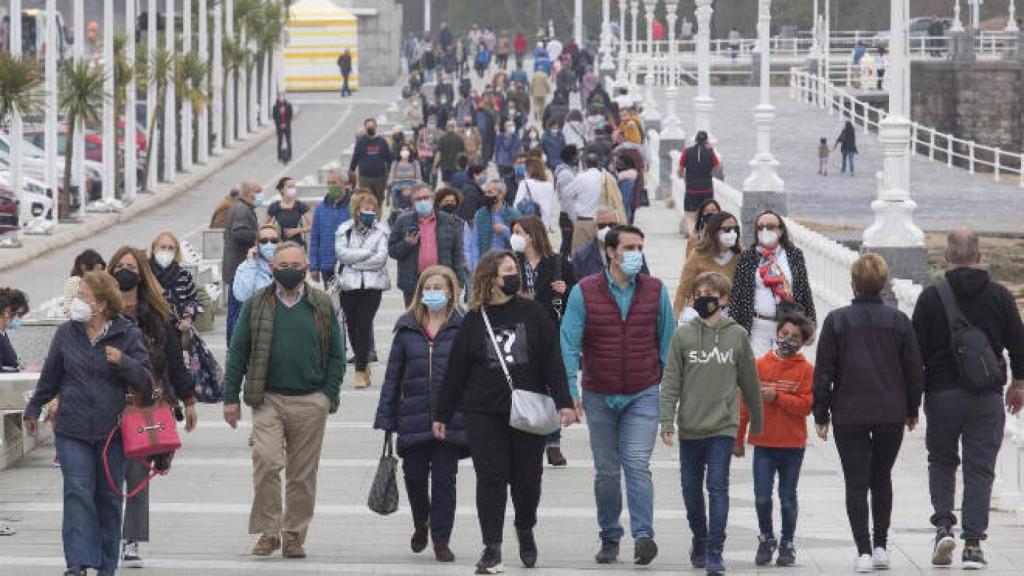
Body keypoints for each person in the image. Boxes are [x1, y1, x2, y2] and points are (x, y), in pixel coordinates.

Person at [433, 250, 577, 574]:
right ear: (492, 278)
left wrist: (564, 401)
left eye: (515, 270)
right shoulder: (474, 320)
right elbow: (456, 371)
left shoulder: (533, 312)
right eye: (508, 270)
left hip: (527, 409)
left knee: (528, 480)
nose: (515, 275)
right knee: (491, 478)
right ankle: (492, 547)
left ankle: (525, 527)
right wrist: (442, 414)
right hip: (484, 411)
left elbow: (552, 360)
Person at [561, 225, 676, 566]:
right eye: (629, 247)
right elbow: (568, 342)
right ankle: (610, 536)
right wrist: (570, 391)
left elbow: (668, 344)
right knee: (607, 471)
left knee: (637, 464)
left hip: (643, 392)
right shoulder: (584, 291)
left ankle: (643, 536)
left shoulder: (655, 290)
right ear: (610, 252)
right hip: (599, 394)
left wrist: (666, 392)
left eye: (640, 247)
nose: (636, 253)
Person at [25, 271, 153, 576]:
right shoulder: (66, 333)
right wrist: (33, 408)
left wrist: (123, 361)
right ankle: (78, 563)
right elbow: (50, 377)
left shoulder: (127, 334)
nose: (77, 301)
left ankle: (106, 565)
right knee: (77, 492)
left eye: (83, 296)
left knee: (109, 498)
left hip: (113, 432)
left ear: (102, 303)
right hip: (72, 429)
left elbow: (147, 382)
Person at [222, 242, 345, 559]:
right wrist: (230, 397)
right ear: (272, 268)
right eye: (283, 265)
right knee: (265, 461)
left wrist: (328, 395)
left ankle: (293, 535)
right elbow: (237, 352)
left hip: (310, 401)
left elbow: (337, 353)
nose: (290, 270)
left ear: (306, 268)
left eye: (296, 265)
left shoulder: (320, 303)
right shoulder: (257, 304)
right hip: (268, 399)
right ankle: (268, 531)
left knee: (302, 474)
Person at [911, 229, 1024, 569]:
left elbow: (914, 353)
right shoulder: (1000, 295)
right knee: (980, 469)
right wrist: (1018, 384)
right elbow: (1019, 343)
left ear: (946, 256)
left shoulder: (931, 298)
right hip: (986, 396)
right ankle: (973, 545)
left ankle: (944, 526)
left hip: (941, 394)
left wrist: (911, 401)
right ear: (978, 256)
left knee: (942, 461)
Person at [813, 253, 924, 573]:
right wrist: (912, 408)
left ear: (854, 283)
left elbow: (824, 372)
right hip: (890, 410)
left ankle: (862, 550)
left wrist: (821, 413)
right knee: (882, 477)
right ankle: (881, 546)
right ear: (884, 283)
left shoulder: (837, 320)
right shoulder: (899, 321)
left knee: (856, 481)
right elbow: (913, 370)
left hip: (849, 411)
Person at [661, 271, 764, 576]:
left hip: (722, 426)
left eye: (711, 294)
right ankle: (700, 537)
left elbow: (750, 382)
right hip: (690, 426)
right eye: (699, 294)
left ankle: (715, 551)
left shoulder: (737, 335)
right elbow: (671, 381)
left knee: (717, 488)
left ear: (724, 299)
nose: (704, 299)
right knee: (690, 490)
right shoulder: (682, 336)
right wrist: (666, 420)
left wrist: (756, 422)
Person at [107, 247, 197, 568]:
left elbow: (174, 362)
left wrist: (188, 400)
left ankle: (131, 540)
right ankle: (106, 535)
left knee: (137, 472)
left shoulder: (156, 316)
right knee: (106, 475)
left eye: (131, 266)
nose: (125, 271)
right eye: (120, 265)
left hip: (143, 405)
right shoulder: (99, 313)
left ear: (142, 274)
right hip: (104, 402)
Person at [374, 265, 468, 563]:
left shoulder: (463, 327)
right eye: (427, 288)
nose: (432, 292)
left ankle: (441, 539)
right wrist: (386, 418)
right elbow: (393, 377)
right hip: (412, 418)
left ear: (451, 292)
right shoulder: (407, 328)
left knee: (444, 482)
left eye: (438, 287)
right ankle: (421, 522)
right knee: (414, 478)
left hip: (450, 420)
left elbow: (472, 375)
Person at [735, 312, 816, 568]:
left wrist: (778, 398)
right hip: (764, 442)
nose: (788, 340)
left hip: (792, 445)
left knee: (788, 497)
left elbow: (806, 406)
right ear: (776, 334)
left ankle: (787, 542)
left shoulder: (806, 370)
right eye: (784, 334)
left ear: (803, 341)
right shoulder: (759, 365)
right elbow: (745, 403)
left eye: (795, 337)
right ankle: (766, 538)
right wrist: (739, 437)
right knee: (761, 496)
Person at [511, 215, 577, 466]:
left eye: (519, 232)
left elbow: (577, 295)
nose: (515, 237)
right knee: (526, 386)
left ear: (532, 234)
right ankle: (529, 440)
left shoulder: (558, 262)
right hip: (518, 331)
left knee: (551, 385)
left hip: (550, 330)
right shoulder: (510, 263)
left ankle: (553, 442)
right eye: (514, 232)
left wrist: (566, 290)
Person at [729, 210, 816, 358]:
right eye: (760, 227)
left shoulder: (794, 255)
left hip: (788, 326)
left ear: (780, 231)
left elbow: (804, 290)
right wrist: (735, 328)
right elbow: (737, 294)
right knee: (759, 368)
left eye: (770, 226)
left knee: (785, 367)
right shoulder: (748, 257)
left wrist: (811, 324)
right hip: (758, 326)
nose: (765, 230)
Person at [335, 192, 391, 390]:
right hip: (348, 284)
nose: (369, 212)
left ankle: (359, 370)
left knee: (364, 324)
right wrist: (367, 253)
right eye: (364, 208)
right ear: (356, 210)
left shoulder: (382, 230)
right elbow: (342, 254)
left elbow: (380, 259)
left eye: (372, 208)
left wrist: (355, 261)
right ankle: (363, 361)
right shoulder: (345, 229)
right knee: (352, 325)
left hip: (372, 286)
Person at [389, 183, 468, 306]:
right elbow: (392, 251)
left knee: (442, 316)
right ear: (412, 202)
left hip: (442, 281)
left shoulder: (448, 221)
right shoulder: (403, 221)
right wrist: (407, 244)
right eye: (418, 199)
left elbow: (457, 254)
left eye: (426, 197)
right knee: (415, 318)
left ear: (433, 198)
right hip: (413, 284)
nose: (423, 201)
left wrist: (460, 283)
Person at [673, 212, 741, 319]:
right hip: (698, 313)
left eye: (735, 229)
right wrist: (676, 317)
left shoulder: (739, 257)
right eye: (727, 229)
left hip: (727, 315)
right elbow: (683, 289)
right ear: (714, 232)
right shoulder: (698, 255)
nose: (732, 233)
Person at [223, 181, 263, 345]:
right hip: (239, 270)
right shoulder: (242, 210)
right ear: (249, 193)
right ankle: (234, 346)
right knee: (238, 312)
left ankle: (232, 345)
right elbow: (239, 233)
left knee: (235, 311)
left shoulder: (242, 207)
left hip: (236, 269)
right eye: (258, 191)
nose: (261, 195)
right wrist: (259, 237)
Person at [566, 153, 624, 255]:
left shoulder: (581, 177)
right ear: (599, 164)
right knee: (600, 254)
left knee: (579, 254)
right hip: (603, 223)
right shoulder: (607, 178)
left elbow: (567, 193)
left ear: (584, 164)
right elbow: (617, 198)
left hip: (584, 221)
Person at [571, 206, 651, 279]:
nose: (607, 229)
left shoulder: (634, 254)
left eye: (612, 225)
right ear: (594, 227)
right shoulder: (582, 257)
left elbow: (646, 283)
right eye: (602, 226)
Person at [149, 231, 202, 336]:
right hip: (150, 331)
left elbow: (193, 301)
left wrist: (187, 319)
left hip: (177, 332)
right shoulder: (146, 273)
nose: (166, 251)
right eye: (163, 247)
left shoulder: (184, 274)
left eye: (171, 248)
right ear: (154, 249)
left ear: (176, 251)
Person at [677, 131, 722, 243]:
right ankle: (704, 238)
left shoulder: (687, 152)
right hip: (707, 189)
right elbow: (718, 167)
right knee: (707, 215)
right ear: (706, 141)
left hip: (691, 189)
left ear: (695, 140)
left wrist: (683, 175)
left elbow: (680, 172)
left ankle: (693, 238)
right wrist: (711, 150)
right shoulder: (710, 153)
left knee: (690, 216)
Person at [309, 172, 353, 287]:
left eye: (334, 183)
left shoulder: (354, 205)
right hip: (327, 265)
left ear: (344, 184)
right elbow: (315, 238)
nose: (331, 186)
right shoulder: (320, 208)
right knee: (331, 297)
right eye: (328, 183)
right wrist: (314, 266)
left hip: (349, 265)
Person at [470, 179, 521, 265]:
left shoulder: (514, 215)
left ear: (501, 195)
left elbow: (520, 242)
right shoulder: (480, 214)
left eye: (490, 192)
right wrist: (476, 265)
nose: (486, 195)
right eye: (485, 192)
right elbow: (474, 243)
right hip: (486, 263)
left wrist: (505, 230)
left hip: (507, 263)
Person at [233, 224, 282, 304]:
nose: (269, 244)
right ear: (257, 244)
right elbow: (242, 296)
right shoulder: (245, 267)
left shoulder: (287, 264)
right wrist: (251, 265)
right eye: (264, 241)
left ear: (279, 243)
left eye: (274, 241)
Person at [349, 118, 392, 203]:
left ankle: (378, 212)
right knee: (365, 200)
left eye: (372, 126)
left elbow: (389, 159)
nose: (370, 128)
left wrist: (390, 175)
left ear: (376, 127)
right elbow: (355, 158)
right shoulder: (360, 142)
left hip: (380, 178)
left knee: (379, 201)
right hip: (364, 178)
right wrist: (351, 172)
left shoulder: (382, 142)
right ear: (365, 128)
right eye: (368, 126)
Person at [265, 177, 312, 248]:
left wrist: (297, 230)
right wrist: (274, 231)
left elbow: (312, 226)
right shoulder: (274, 206)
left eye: (294, 187)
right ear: (282, 190)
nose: (293, 189)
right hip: (280, 245)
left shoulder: (300, 206)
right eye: (290, 187)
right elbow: (264, 226)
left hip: (298, 244)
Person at [63, 249, 107, 318]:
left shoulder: (104, 283)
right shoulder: (74, 281)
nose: (99, 274)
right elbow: (66, 311)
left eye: (101, 271)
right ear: (84, 267)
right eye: (96, 270)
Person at [514, 157, 556, 228]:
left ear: (529, 170)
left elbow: (516, 205)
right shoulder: (549, 186)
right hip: (544, 223)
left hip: (528, 223)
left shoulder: (525, 183)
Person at [554, 145, 579, 258]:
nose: (578, 158)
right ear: (572, 157)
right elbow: (568, 200)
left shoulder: (566, 171)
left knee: (568, 246)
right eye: (577, 155)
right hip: (568, 216)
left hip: (568, 214)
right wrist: (574, 219)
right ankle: (560, 266)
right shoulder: (566, 175)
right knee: (567, 247)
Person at [0, 287, 28, 371]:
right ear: (6, 312)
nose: (19, 319)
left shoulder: (3, 334)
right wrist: (22, 372)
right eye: (19, 314)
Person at [435, 120, 466, 185]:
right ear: (454, 127)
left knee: (446, 185)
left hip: (444, 167)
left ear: (446, 127)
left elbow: (438, 154)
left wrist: (435, 167)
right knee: (455, 185)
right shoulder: (459, 139)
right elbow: (462, 155)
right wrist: (462, 167)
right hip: (456, 167)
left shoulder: (442, 139)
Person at [272, 92, 294, 163]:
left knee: (288, 140)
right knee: (280, 141)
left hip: (287, 126)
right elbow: (274, 116)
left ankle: (289, 155)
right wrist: (279, 124)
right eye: (280, 97)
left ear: (284, 97)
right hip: (279, 126)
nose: (281, 98)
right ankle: (279, 156)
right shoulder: (275, 106)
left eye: (282, 96)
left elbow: (290, 115)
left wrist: (286, 123)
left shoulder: (288, 105)